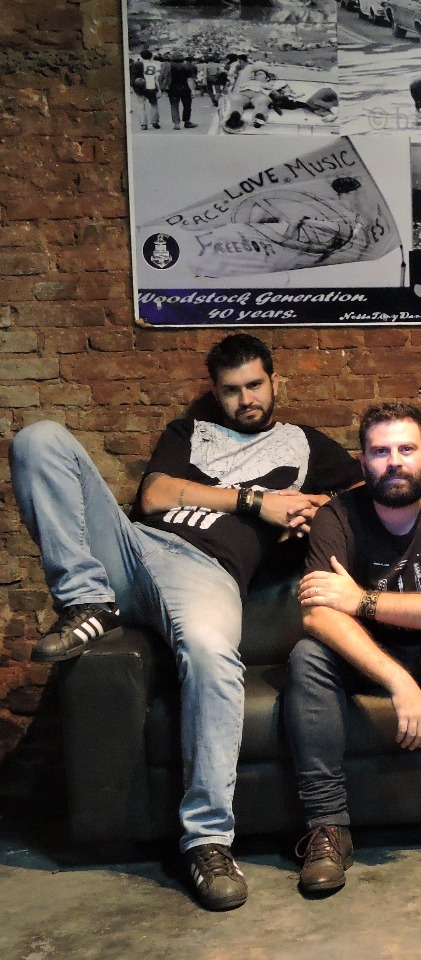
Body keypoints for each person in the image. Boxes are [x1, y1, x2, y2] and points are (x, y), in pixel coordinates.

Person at [9, 334, 362, 911]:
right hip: (135, 550)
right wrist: (256, 501)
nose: (246, 400)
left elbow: (363, 497)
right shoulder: (189, 433)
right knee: (39, 439)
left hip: (206, 572)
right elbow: (155, 497)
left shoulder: (302, 444)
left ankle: (207, 841)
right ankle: (88, 600)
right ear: (217, 394)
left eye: (255, 385)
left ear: (275, 382)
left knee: (213, 655)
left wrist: (310, 510)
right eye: (232, 390)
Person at [285, 403, 421, 894]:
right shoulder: (337, 516)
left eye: (406, 449)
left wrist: (361, 600)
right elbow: (317, 614)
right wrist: (398, 680)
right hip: (368, 656)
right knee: (307, 656)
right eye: (381, 451)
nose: (395, 461)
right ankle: (327, 830)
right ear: (363, 461)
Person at [131, 49, 162, 130]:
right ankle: (155, 122)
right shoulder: (156, 65)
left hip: (140, 87)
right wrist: (159, 89)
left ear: (141, 56)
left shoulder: (137, 64)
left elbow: (133, 77)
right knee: (154, 104)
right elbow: (157, 78)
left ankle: (143, 124)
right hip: (152, 87)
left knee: (141, 105)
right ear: (151, 56)